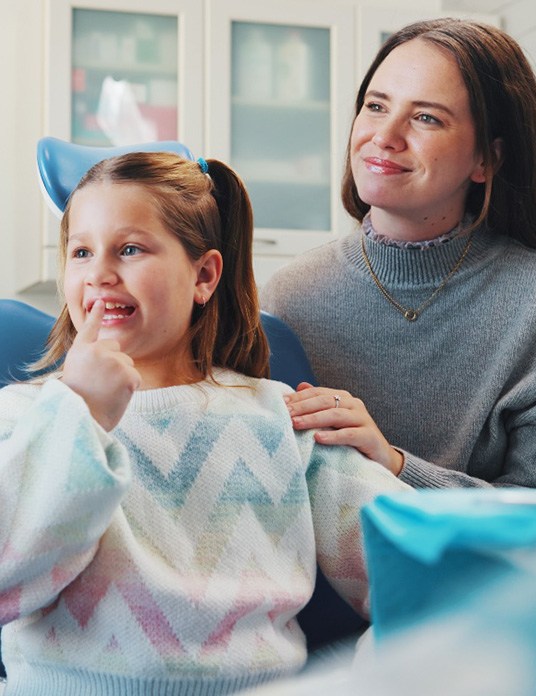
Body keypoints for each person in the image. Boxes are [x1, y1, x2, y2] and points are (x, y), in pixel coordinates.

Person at [0, 151, 409, 695]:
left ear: (204, 275)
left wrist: (365, 678)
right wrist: (80, 416)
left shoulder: (280, 417)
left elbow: (421, 576)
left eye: (129, 249)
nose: (98, 272)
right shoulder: (27, 417)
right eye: (80, 251)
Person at [261, 17, 536, 489]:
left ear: (486, 160)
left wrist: (392, 465)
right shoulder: (287, 297)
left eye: (426, 117)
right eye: (375, 106)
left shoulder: (530, 303)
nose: (384, 135)